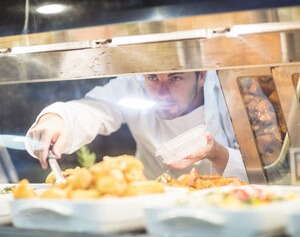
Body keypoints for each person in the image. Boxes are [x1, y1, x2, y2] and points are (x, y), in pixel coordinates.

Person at [25, 71, 248, 182]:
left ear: (202, 77)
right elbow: (93, 109)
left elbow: (265, 176)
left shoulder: (230, 96)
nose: (161, 93)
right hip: (149, 213)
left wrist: (216, 152)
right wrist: (55, 119)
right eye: (152, 78)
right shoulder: (134, 86)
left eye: (175, 78)